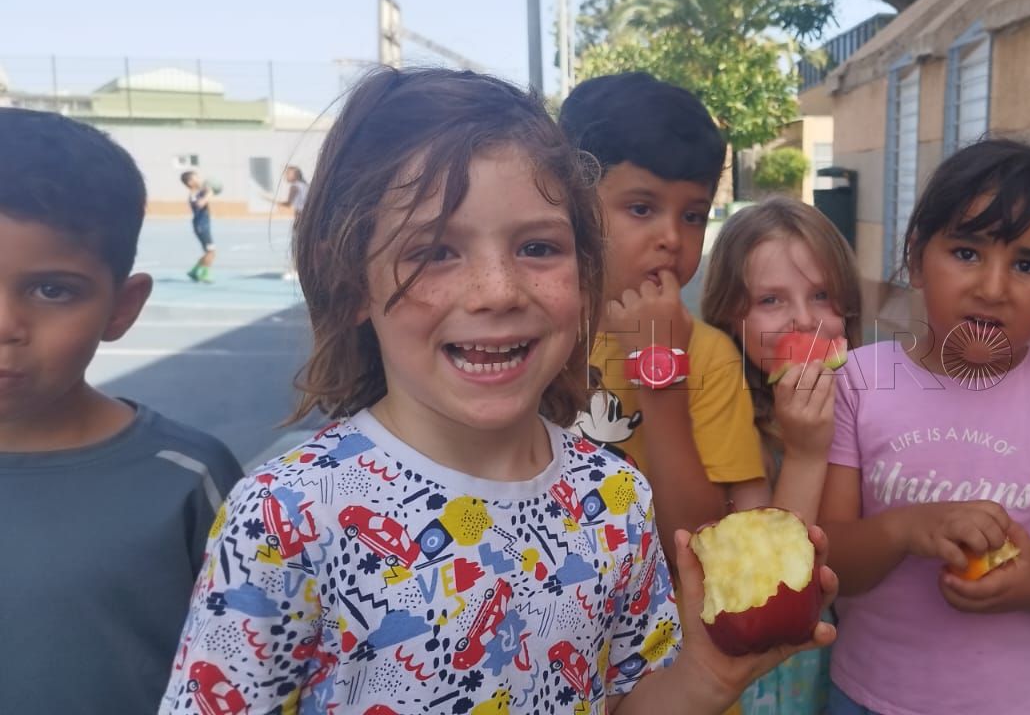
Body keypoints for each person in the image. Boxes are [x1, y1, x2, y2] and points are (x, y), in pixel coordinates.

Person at [158, 68, 834, 715]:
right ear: (351, 281)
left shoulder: (615, 498)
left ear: (584, 272)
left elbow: (626, 701)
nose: (498, 291)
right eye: (434, 251)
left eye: (538, 248)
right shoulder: (283, 518)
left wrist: (705, 677)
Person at [819, 139, 1030, 715]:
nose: (994, 288)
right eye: (967, 252)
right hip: (870, 697)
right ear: (916, 258)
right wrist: (903, 531)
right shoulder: (858, 383)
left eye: (1027, 265)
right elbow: (828, 562)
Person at [0, 107, 245, 713]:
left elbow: (250, 670)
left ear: (122, 307)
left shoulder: (191, 480)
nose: (6, 325)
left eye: (52, 290)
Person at [559, 72, 767, 552]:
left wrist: (660, 371)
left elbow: (695, 540)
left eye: (692, 216)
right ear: (572, 204)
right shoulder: (532, 337)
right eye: (641, 208)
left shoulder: (709, 357)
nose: (672, 237)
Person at [701, 196, 863, 715]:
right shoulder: (720, 418)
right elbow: (767, 576)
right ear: (730, 316)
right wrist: (806, 451)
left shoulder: (865, 407)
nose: (804, 320)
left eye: (822, 295)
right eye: (771, 300)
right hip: (754, 679)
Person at [181, 170, 217, 283]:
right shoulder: (193, 195)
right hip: (201, 226)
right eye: (196, 178)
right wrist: (210, 194)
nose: (199, 179)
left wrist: (209, 190)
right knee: (211, 252)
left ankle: (194, 271)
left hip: (203, 225)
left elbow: (207, 193)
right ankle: (205, 274)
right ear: (190, 182)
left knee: (208, 251)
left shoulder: (200, 191)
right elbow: (200, 203)